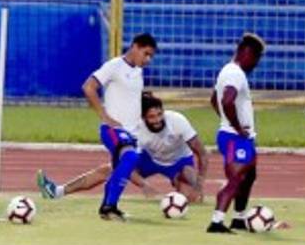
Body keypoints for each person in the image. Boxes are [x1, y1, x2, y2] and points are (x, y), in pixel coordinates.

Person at [36, 94, 208, 205]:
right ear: (143, 118)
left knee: (193, 198)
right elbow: (128, 164)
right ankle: (57, 192)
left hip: (179, 163)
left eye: (159, 115)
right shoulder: (137, 130)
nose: (157, 120)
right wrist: (143, 184)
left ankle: (180, 187)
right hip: (148, 159)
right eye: (151, 117)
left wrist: (199, 185)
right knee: (110, 169)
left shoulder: (178, 120)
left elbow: (202, 153)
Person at [69, 33, 157, 221]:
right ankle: (109, 206)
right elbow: (88, 87)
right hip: (113, 130)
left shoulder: (138, 72)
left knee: (120, 168)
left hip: (132, 132)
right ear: (135, 47)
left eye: (151, 56)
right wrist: (104, 115)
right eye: (146, 54)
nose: (148, 60)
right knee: (130, 158)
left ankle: (109, 207)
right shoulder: (114, 66)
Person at [207, 33, 266, 234]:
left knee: (249, 177)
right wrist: (237, 127)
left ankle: (239, 218)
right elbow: (226, 101)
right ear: (246, 53)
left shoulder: (228, 70)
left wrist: (226, 120)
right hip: (236, 137)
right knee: (236, 179)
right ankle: (216, 221)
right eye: (256, 58)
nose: (256, 64)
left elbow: (214, 99)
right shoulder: (235, 74)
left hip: (239, 136)